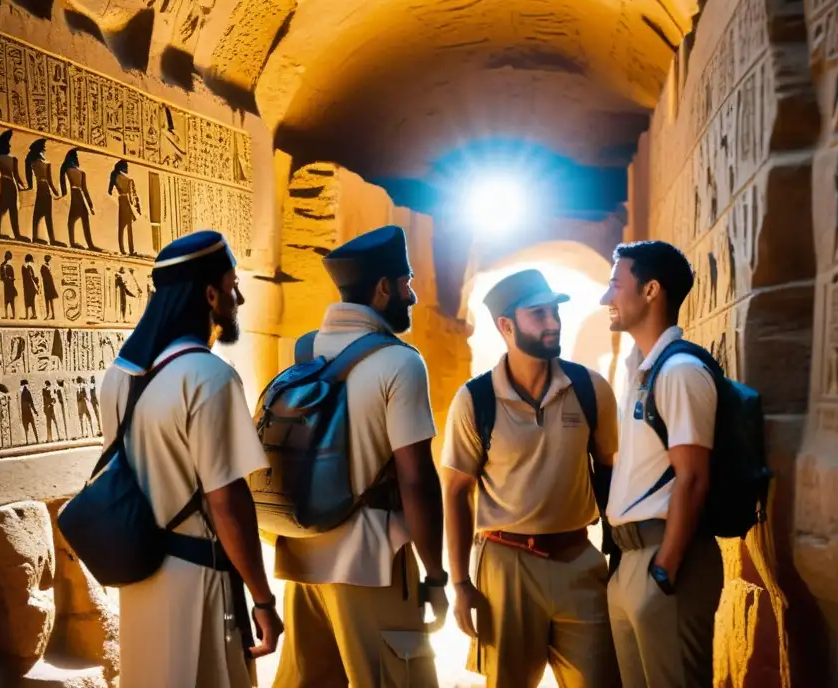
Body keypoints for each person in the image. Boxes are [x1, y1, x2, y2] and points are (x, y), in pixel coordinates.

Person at [101, 230, 280, 687]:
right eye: (232, 284)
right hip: (199, 579)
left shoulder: (119, 378)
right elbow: (227, 503)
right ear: (209, 293)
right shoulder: (209, 377)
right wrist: (262, 599)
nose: (237, 297)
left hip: (141, 576)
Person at [273, 225, 447, 688]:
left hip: (304, 558)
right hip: (370, 563)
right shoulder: (399, 362)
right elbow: (416, 480)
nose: (411, 295)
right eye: (406, 283)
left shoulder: (305, 350)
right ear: (383, 287)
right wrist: (435, 573)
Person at [441, 269, 619, 688]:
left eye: (554, 311)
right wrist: (461, 583)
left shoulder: (590, 389)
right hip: (505, 568)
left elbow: (609, 470)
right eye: (538, 314)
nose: (553, 322)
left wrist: (622, 556)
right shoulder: (475, 400)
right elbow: (455, 492)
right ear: (506, 326)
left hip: (579, 560)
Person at [602, 240, 723, 688]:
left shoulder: (680, 372)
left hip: (666, 561)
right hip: (632, 562)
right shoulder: (641, 371)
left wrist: (664, 571)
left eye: (615, 284)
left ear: (651, 290)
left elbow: (692, 479)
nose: (606, 297)